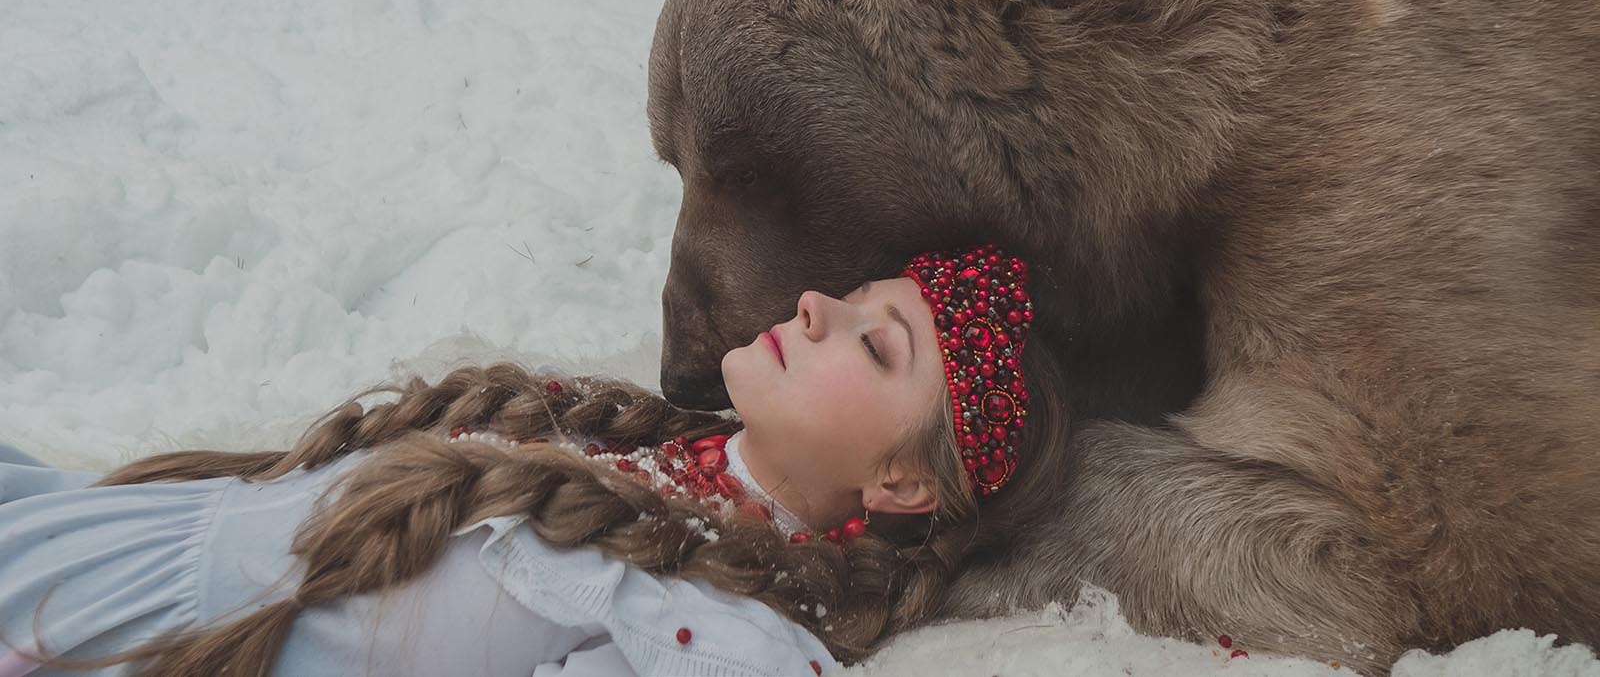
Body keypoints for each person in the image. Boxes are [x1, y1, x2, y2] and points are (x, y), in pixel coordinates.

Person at [0, 246, 1066, 677]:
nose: (816, 305)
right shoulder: (608, 423)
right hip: (87, 544)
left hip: (122, 644)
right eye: (857, 293)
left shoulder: (725, 629)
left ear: (900, 484)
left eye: (878, 344)